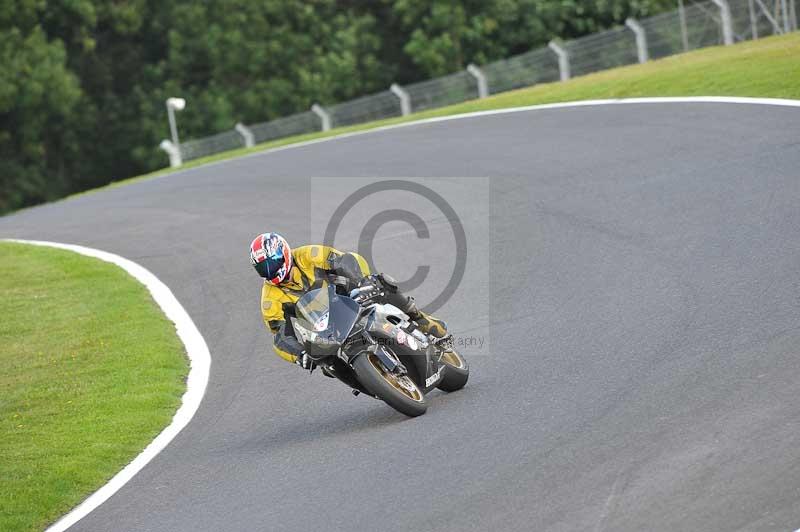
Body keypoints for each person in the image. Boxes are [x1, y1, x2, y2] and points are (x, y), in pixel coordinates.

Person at [250, 232, 449, 370]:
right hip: (324, 327)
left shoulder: (308, 255)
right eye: (263, 268)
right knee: (326, 365)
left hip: (348, 295)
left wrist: (361, 283)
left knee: (381, 285)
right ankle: (370, 379)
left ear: (283, 252)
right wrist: (299, 354)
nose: (270, 270)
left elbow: (344, 260)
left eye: (272, 263)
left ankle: (421, 319)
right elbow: (280, 335)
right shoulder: (269, 299)